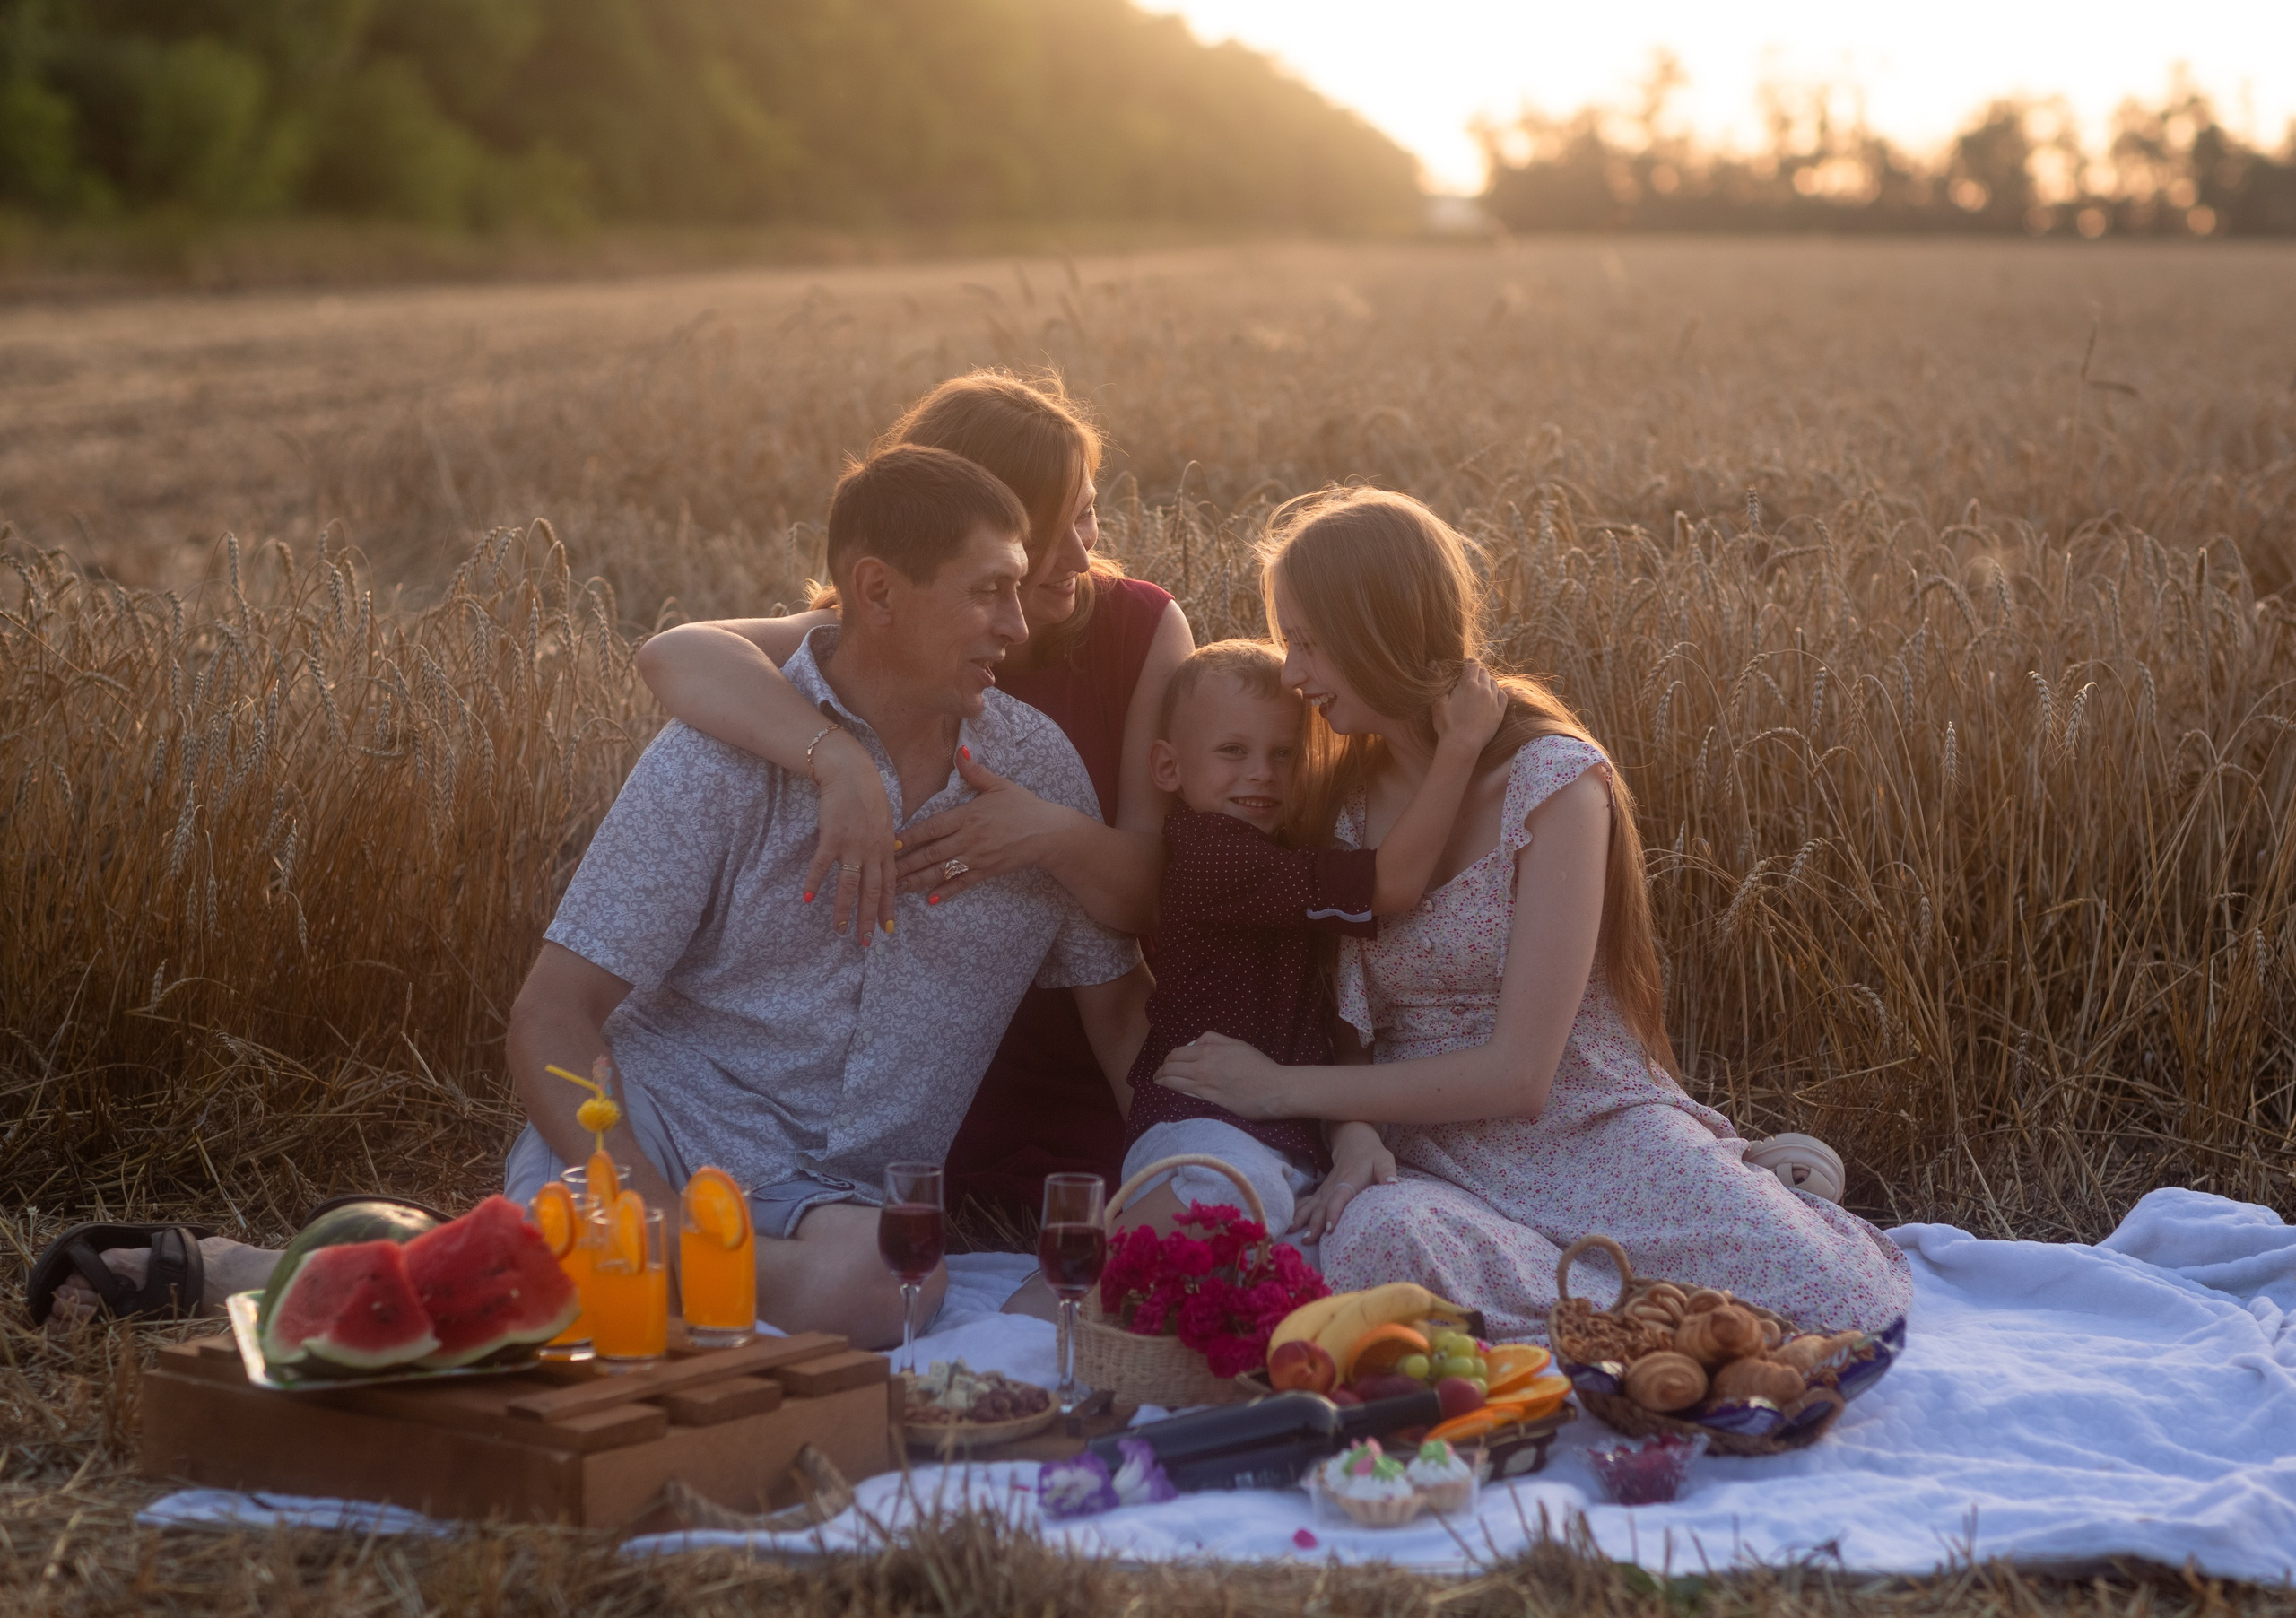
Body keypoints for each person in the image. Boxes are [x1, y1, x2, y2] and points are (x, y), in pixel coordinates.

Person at [39, 446, 1147, 1348]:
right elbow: (553, 1013)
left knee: (891, 1292)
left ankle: (516, 1262)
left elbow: (1119, 1016)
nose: (1019, 626)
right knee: (573, 1325)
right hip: (656, 1133)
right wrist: (639, 1203)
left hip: (833, 1198)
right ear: (878, 592)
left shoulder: (1034, 775)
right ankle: (263, 1268)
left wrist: (1189, 1187)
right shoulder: (719, 759)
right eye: (988, 592)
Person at [1152, 489, 1913, 1341]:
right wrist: (1352, 1131)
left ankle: (1687, 1239)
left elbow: (1522, 1076)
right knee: (1377, 1242)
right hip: (1426, 1148)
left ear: (1377, 627)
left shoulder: (1551, 782)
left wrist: (1279, 1087)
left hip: (1582, 1128)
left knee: (1835, 1299)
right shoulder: (1336, 800)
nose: (1293, 674)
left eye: (1309, 642)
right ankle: (1656, 1313)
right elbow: (1342, 1024)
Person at [637, 370, 1189, 1219]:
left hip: (1084, 1018)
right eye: (1056, 528)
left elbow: (1154, 895)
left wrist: (1048, 833)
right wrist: (838, 759)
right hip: (908, 1063)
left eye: (1089, 512)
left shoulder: (1138, 631)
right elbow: (674, 654)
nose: (1084, 554)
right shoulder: (876, 635)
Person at [1111, 639, 1505, 1247]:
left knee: (1332, 1244)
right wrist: (1459, 747)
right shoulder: (1209, 856)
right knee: (1241, 1194)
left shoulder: (1282, 851)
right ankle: (1080, 1268)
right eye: (1233, 750)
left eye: (1284, 752)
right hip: (1200, 1126)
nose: (1262, 772)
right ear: (1168, 767)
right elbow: (1391, 884)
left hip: (1286, 1141)